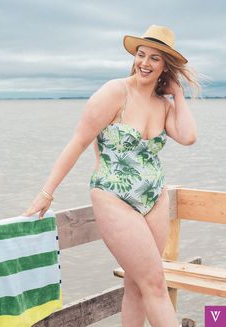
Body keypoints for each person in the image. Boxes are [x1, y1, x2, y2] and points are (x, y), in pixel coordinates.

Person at [23, 25, 199, 327]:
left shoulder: (163, 104)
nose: (144, 63)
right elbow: (78, 142)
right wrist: (47, 192)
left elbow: (188, 136)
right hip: (113, 198)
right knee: (156, 284)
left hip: (154, 197)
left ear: (165, 67)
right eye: (141, 55)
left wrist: (178, 93)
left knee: (137, 285)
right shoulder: (115, 92)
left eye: (155, 59)